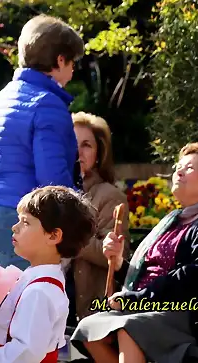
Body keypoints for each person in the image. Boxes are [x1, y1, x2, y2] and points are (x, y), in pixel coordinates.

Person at [72, 142, 198, 362]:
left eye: (190, 168)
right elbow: (151, 273)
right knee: (90, 328)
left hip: (190, 314)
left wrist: (137, 299)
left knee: (130, 328)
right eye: (178, 166)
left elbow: (195, 277)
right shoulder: (172, 220)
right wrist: (118, 265)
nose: (178, 171)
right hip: (152, 306)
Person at [0, 14, 84, 270]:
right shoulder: (48, 104)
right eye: (72, 62)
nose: (74, 69)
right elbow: (52, 181)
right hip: (23, 224)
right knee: (30, 305)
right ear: (60, 60)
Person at [0, 186, 96, 363]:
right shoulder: (35, 279)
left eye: (26, 222)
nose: (15, 227)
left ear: (53, 236)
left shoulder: (40, 291)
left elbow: (27, 352)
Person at [68, 112, 130, 323]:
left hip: (85, 308)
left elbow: (113, 257)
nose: (78, 151)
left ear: (98, 154)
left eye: (86, 145)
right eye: (72, 142)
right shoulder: (45, 190)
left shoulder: (109, 196)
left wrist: (65, 234)